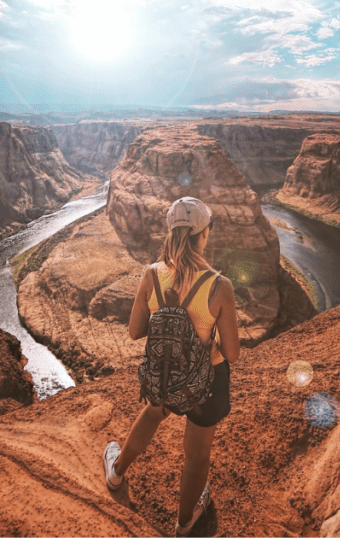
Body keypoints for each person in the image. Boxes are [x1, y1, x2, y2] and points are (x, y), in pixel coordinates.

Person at [103, 196, 240, 537]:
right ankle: (183, 525)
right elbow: (233, 354)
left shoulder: (152, 274)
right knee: (196, 456)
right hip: (205, 383)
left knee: (154, 411)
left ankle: (116, 472)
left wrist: (171, 332)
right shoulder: (220, 286)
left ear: (171, 233)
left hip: (165, 373)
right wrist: (201, 342)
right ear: (203, 234)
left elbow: (136, 331)